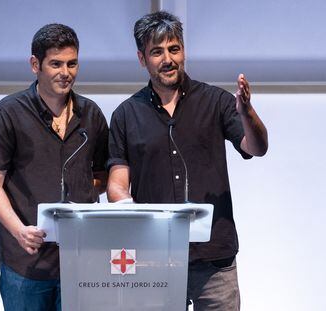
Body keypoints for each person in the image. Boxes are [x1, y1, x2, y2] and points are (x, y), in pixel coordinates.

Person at [107, 11, 268, 311]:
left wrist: (247, 113)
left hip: (215, 260)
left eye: (174, 49)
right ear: (142, 59)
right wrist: (133, 215)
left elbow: (256, 147)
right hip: (155, 260)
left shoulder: (215, 101)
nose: (168, 59)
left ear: (183, 50)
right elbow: (117, 184)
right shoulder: (126, 115)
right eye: (157, 52)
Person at [0, 23, 109, 311]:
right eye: (56, 64)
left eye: (72, 63)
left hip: (80, 261)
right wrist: (18, 230)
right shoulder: (9, 112)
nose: (66, 72)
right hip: (26, 263)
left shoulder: (92, 115)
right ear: (35, 65)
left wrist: (86, 194)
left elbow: (101, 178)